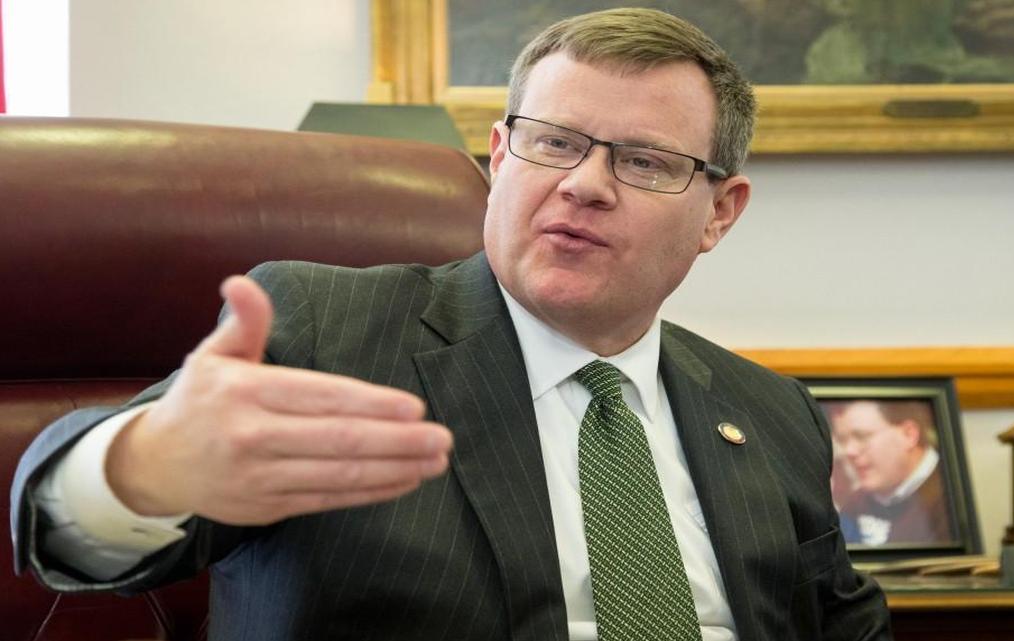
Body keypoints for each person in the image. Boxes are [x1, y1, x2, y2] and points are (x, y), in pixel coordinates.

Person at [11, 8, 891, 640]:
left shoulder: (772, 410)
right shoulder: (328, 332)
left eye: (643, 161)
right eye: (554, 141)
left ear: (719, 213)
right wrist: (146, 464)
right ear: (500, 155)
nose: (585, 184)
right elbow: (62, 530)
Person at [828, 399, 953, 546]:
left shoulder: (952, 498)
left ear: (909, 435)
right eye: (843, 440)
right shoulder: (855, 503)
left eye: (862, 436)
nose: (849, 452)